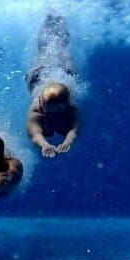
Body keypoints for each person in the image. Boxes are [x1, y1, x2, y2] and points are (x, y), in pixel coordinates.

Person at [26, 14, 80, 158]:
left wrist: (68, 141)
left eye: (58, 109)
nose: (55, 113)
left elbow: (75, 129)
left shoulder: (71, 107)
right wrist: (44, 144)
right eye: (52, 109)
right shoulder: (37, 109)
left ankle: (61, 21)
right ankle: (49, 20)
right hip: (39, 75)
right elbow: (33, 131)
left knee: (61, 48)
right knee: (45, 50)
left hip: (43, 74)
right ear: (43, 105)